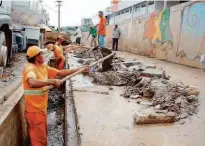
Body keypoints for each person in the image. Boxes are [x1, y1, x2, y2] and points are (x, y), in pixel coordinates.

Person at [23, 46, 89, 146]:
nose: (43, 55)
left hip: (41, 110)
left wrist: (80, 69)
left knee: (42, 137)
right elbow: (32, 82)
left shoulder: (43, 67)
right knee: (39, 141)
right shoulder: (30, 69)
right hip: (34, 112)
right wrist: (53, 81)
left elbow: (61, 73)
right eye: (41, 54)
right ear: (36, 57)